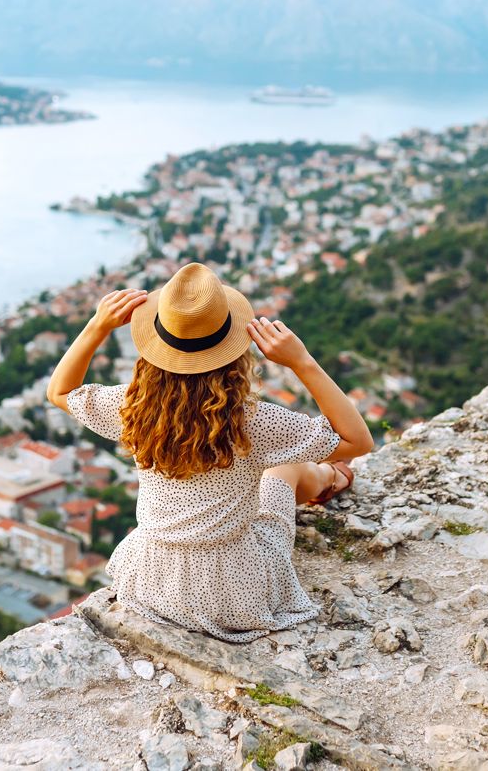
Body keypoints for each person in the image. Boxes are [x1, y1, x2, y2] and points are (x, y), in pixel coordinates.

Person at [47, 262, 373, 643]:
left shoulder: (132, 408)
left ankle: (328, 478)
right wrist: (301, 361)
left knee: (284, 465)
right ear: (235, 349)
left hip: (153, 582)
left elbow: (59, 392)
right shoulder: (253, 422)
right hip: (234, 589)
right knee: (286, 469)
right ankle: (331, 480)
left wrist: (97, 325)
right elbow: (358, 442)